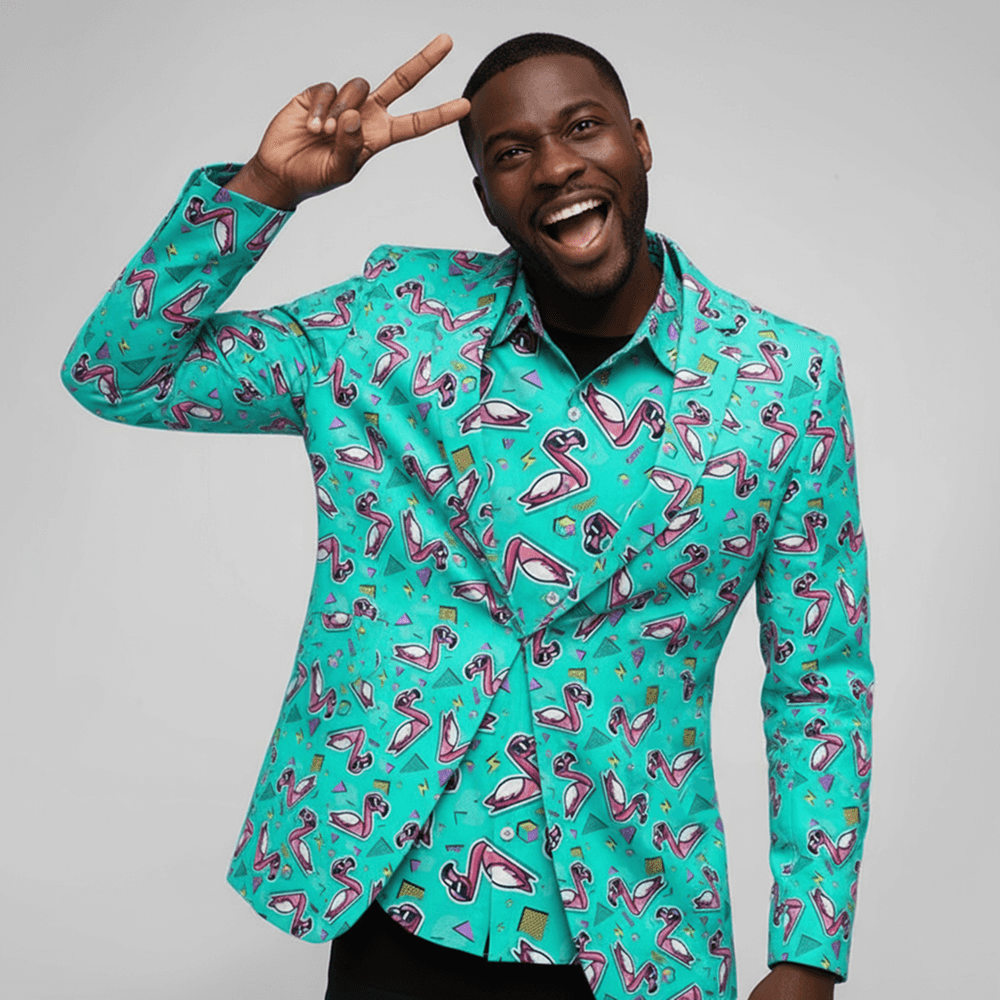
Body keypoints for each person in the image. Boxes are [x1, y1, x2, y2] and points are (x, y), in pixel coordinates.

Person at [61, 31, 873, 1000]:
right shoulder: (393, 323)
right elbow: (119, 372)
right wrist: (266, 189)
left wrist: (808, 951)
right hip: (397, 912)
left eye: (583, 127)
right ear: (485, 197)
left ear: (640, 142)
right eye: (511, 151)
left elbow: (819, 684)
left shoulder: (784, 383)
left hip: (634, 929)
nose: (555, 166)